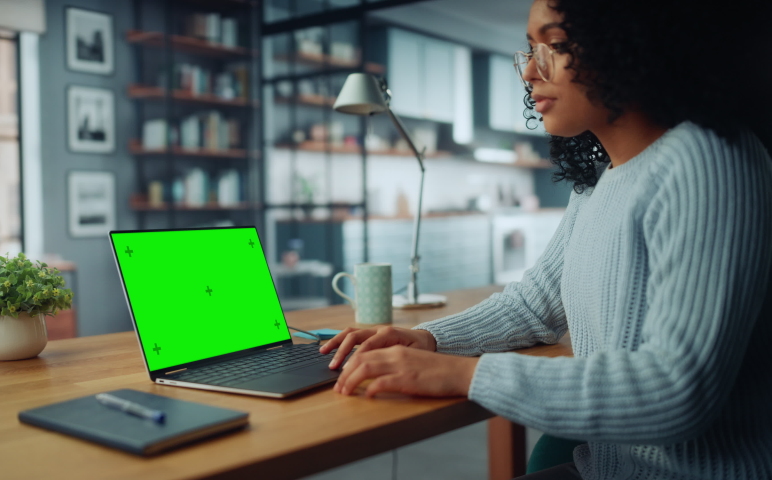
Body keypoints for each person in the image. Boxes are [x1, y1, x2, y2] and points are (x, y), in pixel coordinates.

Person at [319, 0, 772, 478]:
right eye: (529, 50)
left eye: (554, 45)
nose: (530, 71)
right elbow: (534, 304)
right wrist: (428, 338)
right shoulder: (602, 179)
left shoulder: (710, 159)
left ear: (632, 42)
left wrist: (465, 375)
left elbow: (678, 391)